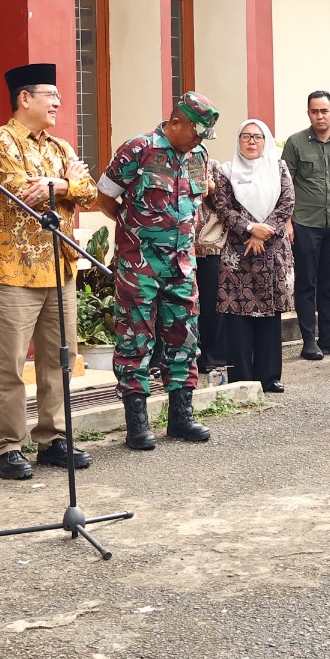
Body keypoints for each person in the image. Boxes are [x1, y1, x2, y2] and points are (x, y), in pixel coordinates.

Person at [0, 64, 98, 481]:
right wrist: (62, 184)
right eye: (50, 95)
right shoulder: (0, 140)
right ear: (25, 98)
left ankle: (54, 438)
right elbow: (19, 189)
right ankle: (7, 446)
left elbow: (89, 191)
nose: (58, 103)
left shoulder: (61, 145)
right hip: (16, 269)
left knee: (60, 358)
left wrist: (60, 185)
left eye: (59, 96)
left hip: (60, 266)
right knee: (10, 363)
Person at [97, 92, 220, 449]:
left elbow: (198, 198)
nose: (198, 140)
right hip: (140, 266)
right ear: (175, 122)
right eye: (195, 132)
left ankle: (181, 417)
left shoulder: (199, 155)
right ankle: (137, 423)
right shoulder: (138, 149)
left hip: (182, 265)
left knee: (184, 338)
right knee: (136, 338)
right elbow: (104, 198)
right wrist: (133, 231)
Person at [208, 119, 296, 394]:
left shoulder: (278, 167)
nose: (251, 141)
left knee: (270, 315)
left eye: (257, 137)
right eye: (245, 136)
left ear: (265, 141)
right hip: (239, 252)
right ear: (239, 140)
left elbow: (287, 202)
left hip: (273, 250)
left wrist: (263, 232)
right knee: (238, 314)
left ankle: (269, 378)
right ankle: (242, 378)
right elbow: (223, 207)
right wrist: (249, 228)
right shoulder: (226, 171)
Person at [282, 91, 330, 361]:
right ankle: (308, 341)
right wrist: (288, 222)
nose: (320, 116)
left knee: (329, 284)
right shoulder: (295, 143)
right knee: (307, 283)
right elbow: (286, 185)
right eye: (314, 111)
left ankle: (328, 337)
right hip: (305, 224)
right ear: (308, 114)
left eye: (324, 111)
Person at [193, 154, 229, 381]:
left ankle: (212, 357)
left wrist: (213, 188)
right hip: (175, 245)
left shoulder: (214, 167)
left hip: (209, 245)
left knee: (211, 304)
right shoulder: (166, 164)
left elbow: (229, 205)